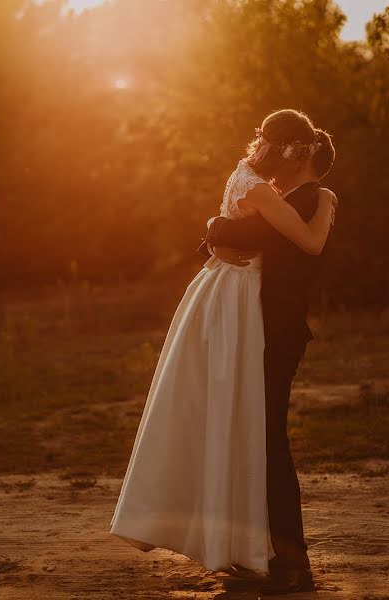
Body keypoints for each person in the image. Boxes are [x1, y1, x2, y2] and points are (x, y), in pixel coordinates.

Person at [110, 109, 336, 594]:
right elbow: (284, 236)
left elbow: (267, 237)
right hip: (239, 311)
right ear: (292, 151)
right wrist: (217, 230)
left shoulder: (274, 189)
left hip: (253, 317)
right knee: (251, 432)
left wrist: (215, 228)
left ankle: (277, 559)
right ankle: (268, 555)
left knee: (256, 433)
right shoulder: (267, 190)